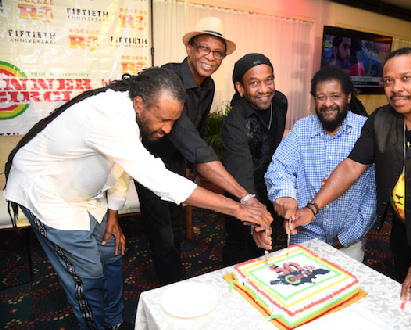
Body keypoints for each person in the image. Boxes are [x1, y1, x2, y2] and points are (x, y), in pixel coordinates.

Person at [3, 67, 271, 330]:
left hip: (85, 194)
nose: (167, 129)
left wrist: (113, 213)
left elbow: (119, 167)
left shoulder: (131, 109)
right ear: (140, 103)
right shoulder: (107, 116)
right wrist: (236, 208)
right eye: (163, 120)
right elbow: (160, 180)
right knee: (87, 277)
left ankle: (115, 321)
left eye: (173, 122)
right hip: (49, 196)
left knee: (111, 255)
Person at [292, 47, 411, 309]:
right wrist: (312, 207)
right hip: (403, 231)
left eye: (406, 78)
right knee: (405, 301)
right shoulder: (381, 118)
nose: (396, 88)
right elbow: (352, 166)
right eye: (389, 81)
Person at [134, 17, 268, 285]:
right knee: (162, 234)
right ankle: (171, 289)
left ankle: (174, 275)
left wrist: (187, 166)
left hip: (177, 166)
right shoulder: (169, 80)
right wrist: (243, 198)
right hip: (149, 167)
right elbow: (193, 143)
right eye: (204, 49)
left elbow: (198, 132)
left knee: (175, 228)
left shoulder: (209, 86)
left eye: (218, 52)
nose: (211, 57)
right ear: (190, 49)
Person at [265, 65, 376, 262]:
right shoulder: (302, 129)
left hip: (348, 240)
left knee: (342, 292)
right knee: (299, 289)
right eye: (321, 97)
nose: (328, 103)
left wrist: (348, 236)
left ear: (348, 97)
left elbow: (374, 193)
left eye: (335, 96)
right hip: (305, 233)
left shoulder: (366, 130)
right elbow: (280, 167)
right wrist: (285, 195)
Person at [221, 53, 287, 265]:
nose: (265, 89)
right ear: (240, 88)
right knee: (239, 246)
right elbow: (242, 176)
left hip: (267, 182)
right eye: (254, 83)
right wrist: (255, 222)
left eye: (269, 80)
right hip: (241, 189)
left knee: (263, 248)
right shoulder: (235, 124)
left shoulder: (280, 102)